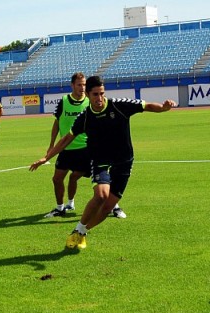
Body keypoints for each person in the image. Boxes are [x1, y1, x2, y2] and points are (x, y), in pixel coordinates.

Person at [30, 75, 176, 249]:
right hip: (100, 160)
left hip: (124, 161)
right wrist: (46, 157)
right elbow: (66, 139)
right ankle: (79, 228)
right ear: (89, 95)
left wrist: (163, 108)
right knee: (101, 196)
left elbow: (146, 106)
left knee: (108, 207)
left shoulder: (118, 105)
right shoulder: (85, 117)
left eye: (102, 94)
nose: (99, 98)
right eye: (95, 95)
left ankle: (80, 231)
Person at [43, 73, 128, 220]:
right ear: (72, 85)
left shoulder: (91, 101)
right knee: (57, 179)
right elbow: (57, 122)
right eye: (79, 85)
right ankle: (61, 207)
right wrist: (51, 145)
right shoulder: (63, 101)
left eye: (84, 85)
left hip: (86, 148)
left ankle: (114, 206)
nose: (82, 88)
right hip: (67, 148)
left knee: (102, 176)